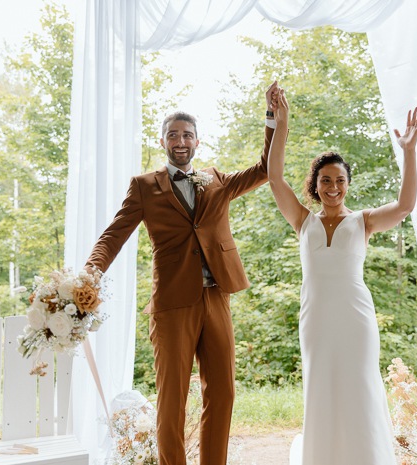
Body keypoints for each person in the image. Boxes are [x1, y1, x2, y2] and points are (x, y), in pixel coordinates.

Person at [83, 81, 280, 465]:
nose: (181, 140)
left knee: (222, 393)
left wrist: (271, 118)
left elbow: (264, 169)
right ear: (162, 142)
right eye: (173, 135)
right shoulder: (144, 187)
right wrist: (91, 271)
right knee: (172, 400)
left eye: (187, 134)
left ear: (197, 142)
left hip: (216, 296)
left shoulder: (216, 180)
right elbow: (114, 234)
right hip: (172, 303)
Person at [267, 88, 417, 464]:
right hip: (316, 319)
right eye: (325, 180)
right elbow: (273, 178)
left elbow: (405, 205)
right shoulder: (302, 220)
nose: (333, 187)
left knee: (359, 387)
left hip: (355, 318)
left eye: (339, 180)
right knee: (320, 387)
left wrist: (409, 151)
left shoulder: (363, 221)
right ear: (315, 185)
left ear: (348, 184)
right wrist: (280, 124)